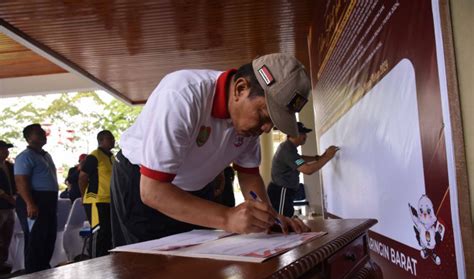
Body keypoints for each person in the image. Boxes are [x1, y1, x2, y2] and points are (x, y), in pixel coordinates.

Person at [111, 53, 312, 247]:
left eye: (273, 123)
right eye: (264, 116)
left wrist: (270, 220)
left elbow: (249, 175)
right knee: (150, 270)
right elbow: (153, 191)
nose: (266, 129)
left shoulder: (249, 124)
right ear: (240, 89)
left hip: (193, 190)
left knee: (199, 265)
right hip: (141, 184)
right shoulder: (182, 95)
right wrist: (227, 217)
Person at [267, 122, 339, 218]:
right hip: (281, 192)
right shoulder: (287, 150)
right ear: (292, 134)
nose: (305, 136)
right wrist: (327, 157)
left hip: (283, 192)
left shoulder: (289, 148)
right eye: (302, 133)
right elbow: (308, 170)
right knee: (282, 221)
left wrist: (317, 158)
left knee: (286, 220)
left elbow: (298, 159)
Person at [14, 124, 58, 273]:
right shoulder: (25, 156)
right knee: (35, 238)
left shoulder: (46, 155)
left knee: (48, 236)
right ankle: (32, 273)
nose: (42, 135)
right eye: (37, 133)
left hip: (48, 200)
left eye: (42, 133)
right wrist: (30, 204)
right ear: (28, 138)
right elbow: (21, 181)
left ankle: (44, 269)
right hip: (34, 199)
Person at [79, 130, 115, 257]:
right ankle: (94, 260)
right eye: (109, 138)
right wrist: (85, 196)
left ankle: (106, 259)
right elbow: (83, 176)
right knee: (98, 232)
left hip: (110, 200)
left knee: (108, 233)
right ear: (101, 141)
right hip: (96, 200)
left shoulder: (111, 157)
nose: (113, 140)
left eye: (113, 138)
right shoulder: (94, 156)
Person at [0, 140, 16, 274]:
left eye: (6, 149)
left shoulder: (9, 166)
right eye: (3, 149)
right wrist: (6, 196)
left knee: (7, 235)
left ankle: (3, 262)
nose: (6, 152)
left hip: (10, 206)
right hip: (2, 204)